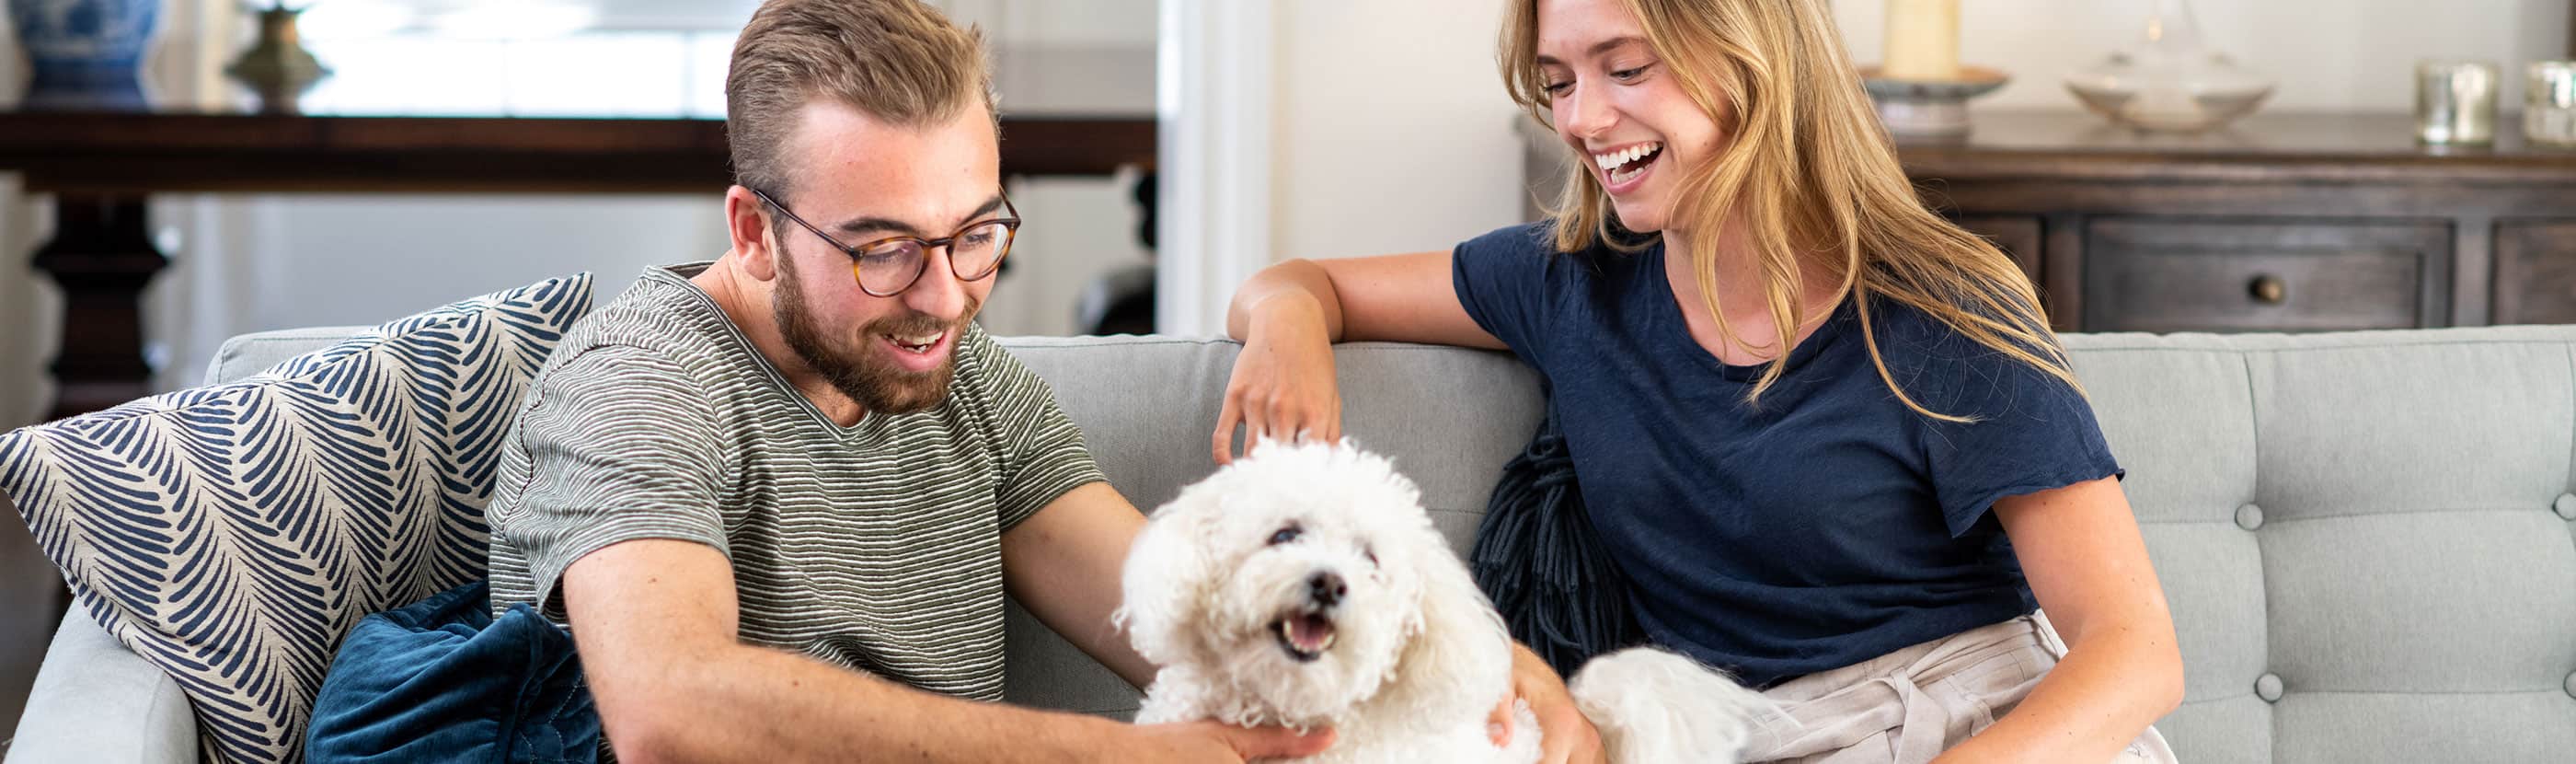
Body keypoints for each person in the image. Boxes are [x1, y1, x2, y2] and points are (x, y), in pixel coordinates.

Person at [480, 1, 1593, 761]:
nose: (946, 295)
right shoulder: (641, 383)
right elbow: (671, 714)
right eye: (881, 248)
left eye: (974, 232)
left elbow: (1181, 607)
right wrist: (1123, 753)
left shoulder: (965, 384)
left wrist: (1485, 669)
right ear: (753, 230)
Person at [1213, 0, 2184, 761]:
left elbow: (2133, 650)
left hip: (1987, 723)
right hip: (1735, 734)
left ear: (1754, 60)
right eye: (1557, 80)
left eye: (1627, 68)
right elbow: (1300, 283)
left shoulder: (1938, 310)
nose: (1584, 119)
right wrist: (1287, 322)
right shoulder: (1566, 282)